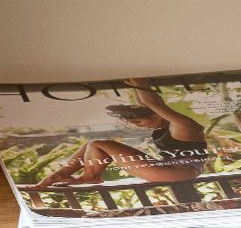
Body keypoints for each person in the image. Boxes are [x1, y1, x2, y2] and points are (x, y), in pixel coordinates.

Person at [34, 78, 207, 188]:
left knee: (98, 144)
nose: (139, 126)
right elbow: (147, 102)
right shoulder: (168, 124)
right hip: (169, 169)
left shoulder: (183, 125)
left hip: (176, 172)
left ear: (155, 115)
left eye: (139, 122)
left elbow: (152, 102)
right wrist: (133, 83)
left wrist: (135, 77)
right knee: (90, 146)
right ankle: (62, 174)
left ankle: (90, 176)